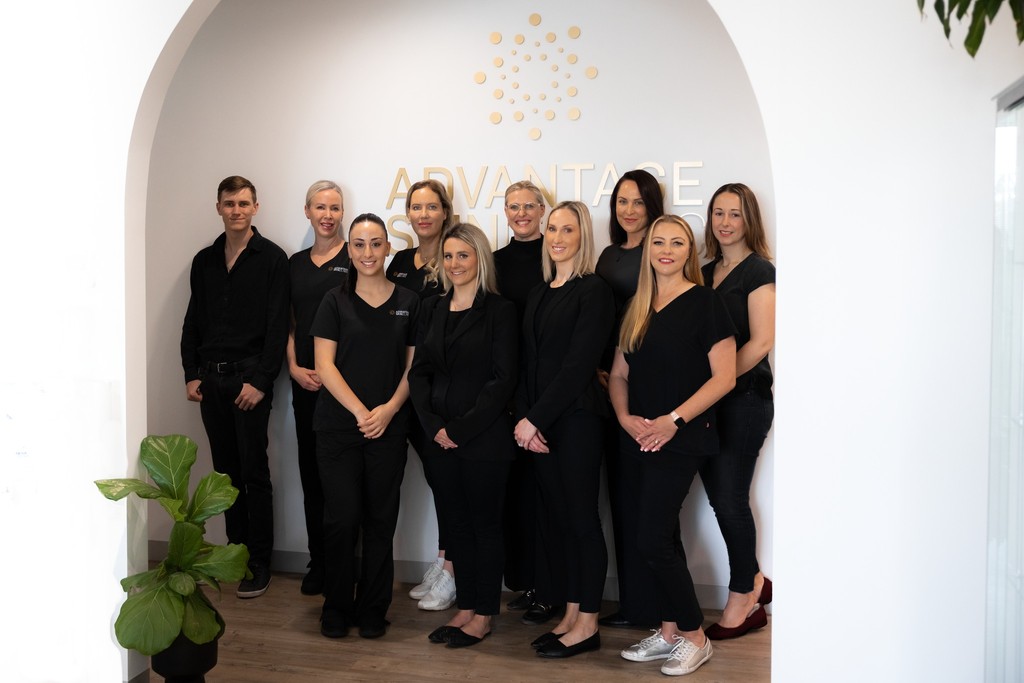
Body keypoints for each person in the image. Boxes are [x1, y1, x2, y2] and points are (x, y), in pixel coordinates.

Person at [610, 215, 736, 676]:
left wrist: (673, 421)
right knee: (658, 536)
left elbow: (725, 377)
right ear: (648, 250)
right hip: (638, 437)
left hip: (682, 437)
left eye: (677, 243)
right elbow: (619, 374)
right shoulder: (637, 305)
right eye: (659, 242)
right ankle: (668, 633)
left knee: (652, 539)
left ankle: (695, 636)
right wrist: (625, 418)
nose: (666, 250)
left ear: (689, 251)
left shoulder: (706, 302)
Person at [409, 223, 519, 648]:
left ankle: (483, 614)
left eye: (463, 255)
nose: (455, 264)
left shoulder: (500, 310)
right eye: (449, 256)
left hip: (484, 440)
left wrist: (459, 429)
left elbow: (502, 380)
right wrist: (434, 427)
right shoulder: (432, 308)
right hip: (438, 440)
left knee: (485, 529)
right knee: (456, 527)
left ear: (480, 259)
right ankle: (466, 606)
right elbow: (419, 373)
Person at [180, 175, 289, 599]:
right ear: (219, 208)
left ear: (255, 207)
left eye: (244, 203)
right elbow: (193, 321)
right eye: (229, 203)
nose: (237, 210)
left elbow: (278, 327)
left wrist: (260, 382)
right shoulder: (204, 261)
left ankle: (259, 562)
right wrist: (191, 372)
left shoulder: (272, 259)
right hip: (211, 382)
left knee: (254, 473)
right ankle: (235, 554)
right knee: (225, 476)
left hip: (249, 383)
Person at [311, 213, 418, 639]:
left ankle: (374, 609)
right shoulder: (333, 301)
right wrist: (361, 412)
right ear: (349, 250)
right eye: (359, 244)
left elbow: (413, 368)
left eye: (376, 244)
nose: (368, 252)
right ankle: (336, 606)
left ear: (388, 248)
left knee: (380, 521)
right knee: (341, 519)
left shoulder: (409, 301)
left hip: (389, 429)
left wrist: (388, 410)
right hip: (339, 428)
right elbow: (324, 365)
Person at [515, 201, 614, 659]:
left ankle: (588, 622)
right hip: (540, 426)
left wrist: (535, 419)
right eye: (552, 228)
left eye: (567, 230)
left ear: (582, 236)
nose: (557, 237)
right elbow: (528, 364)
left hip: (576, 421)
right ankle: (572, 612)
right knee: (559, 522)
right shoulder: (540, 292)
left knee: (582, 522)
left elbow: (578, 367)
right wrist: (526, 420)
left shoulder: (593, 291)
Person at [699, 183, 776, 639]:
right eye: (718, 213)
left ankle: (743, 596)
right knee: (720, 500)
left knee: (729, 500)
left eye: (735, 214)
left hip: (744, 399)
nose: (725, 223)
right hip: (708, 403)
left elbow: (762, 341)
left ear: (749, 220)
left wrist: (719, 382)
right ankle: (756, 581)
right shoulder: (704, 271)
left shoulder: (759, 270)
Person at [594, 169, 667, 630]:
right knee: (621, 498)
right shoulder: (608, 254)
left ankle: (658, 607)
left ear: (652, 206)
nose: (629, 210)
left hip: (645, 383)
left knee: (649, 503)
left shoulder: (657, 252)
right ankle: (635, 604)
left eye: (638, 201)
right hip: (609, 384)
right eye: (622, 201)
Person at [493, 180, 557, 624]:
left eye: (529, 206)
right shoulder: (494, 263)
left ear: (541, 210)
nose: (521, 213)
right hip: (504, 389)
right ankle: (526, 581)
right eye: (513, 206)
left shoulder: (554, 257)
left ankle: (548, 587)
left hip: (543, 390)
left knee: (545, 495)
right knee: (515, 494)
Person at [286, 180, 349, 596]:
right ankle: (319, 562)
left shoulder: (356, 258)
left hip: (344, 389)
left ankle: (344, 563)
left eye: (335, 207)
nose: (328, 215)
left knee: (342, 481)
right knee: (312, 477)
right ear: (307, 211)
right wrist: (293, 367)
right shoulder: (294, 264)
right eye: (320, 207)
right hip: (306, 385)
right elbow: (290, 323)